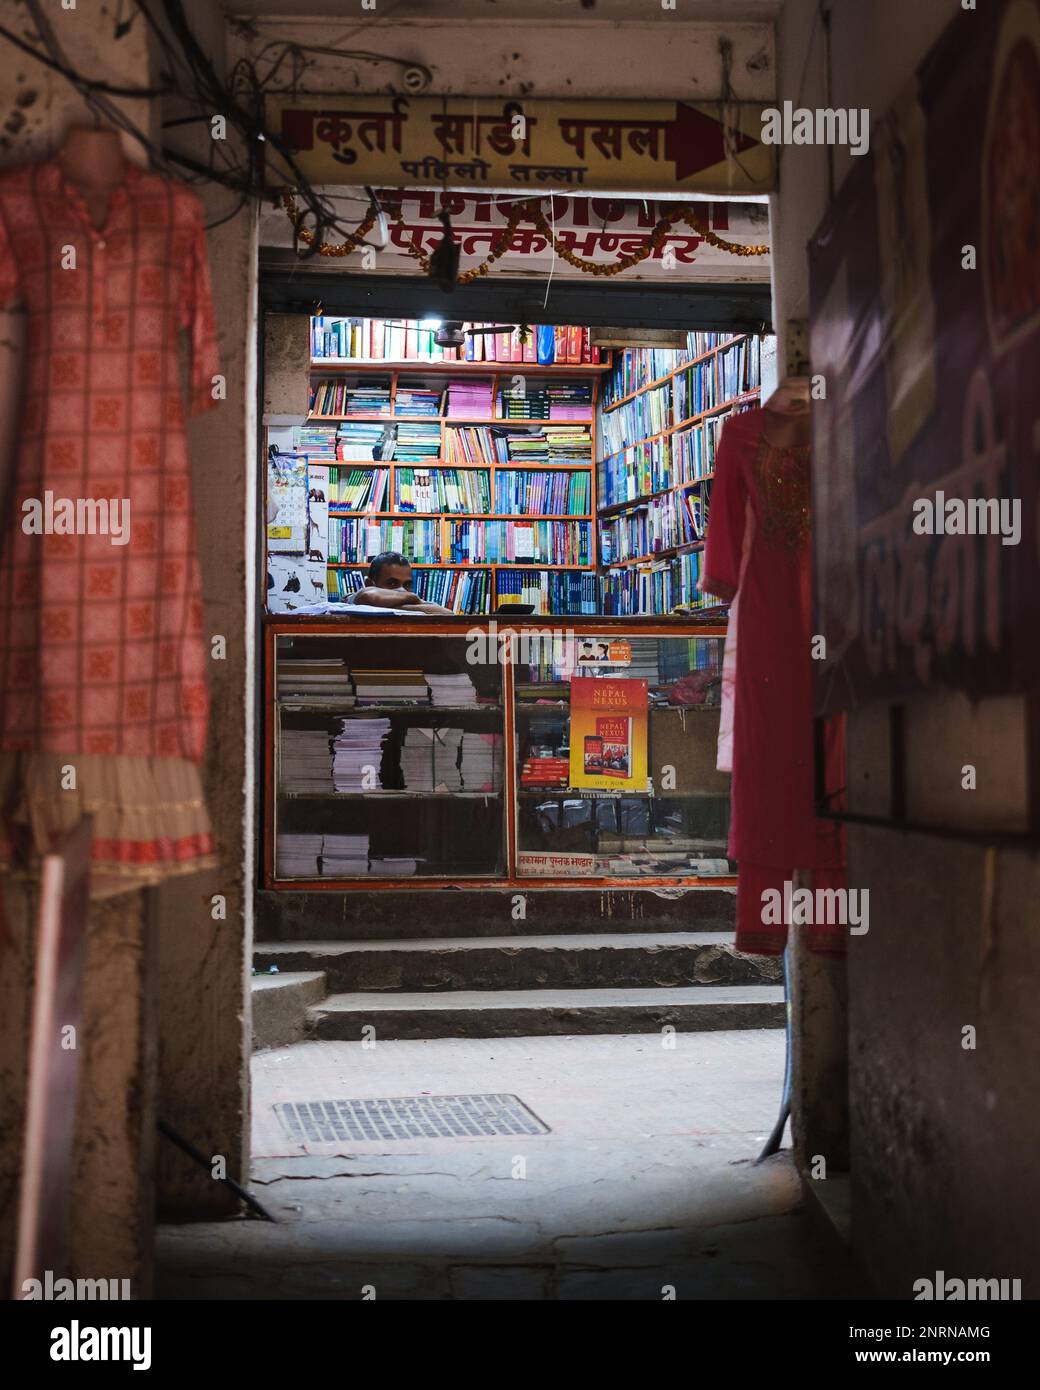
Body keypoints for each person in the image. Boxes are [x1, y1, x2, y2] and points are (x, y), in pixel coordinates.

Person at [345, 551, 455, 614]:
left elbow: (447, 614)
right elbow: (368, 596)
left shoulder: (413, 602)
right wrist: (413, 598)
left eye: (407, 585)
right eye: (392, 584)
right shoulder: (353, 600)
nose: (402, 591)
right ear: (369, 584)